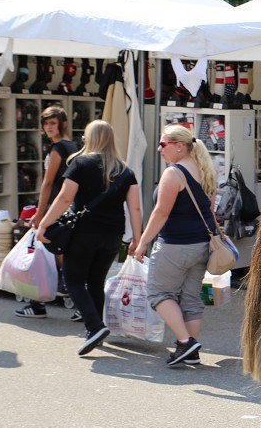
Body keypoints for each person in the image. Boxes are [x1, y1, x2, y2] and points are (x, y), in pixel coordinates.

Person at [36, 120, 141, 356]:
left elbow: (64, 199)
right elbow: (135, 208)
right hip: (113, 234)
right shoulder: (125, 170)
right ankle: (96, 332)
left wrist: (43, 224)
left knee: (73, 281)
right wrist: (138, 238)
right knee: (95, 281)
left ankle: (94, 327)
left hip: (83, 232)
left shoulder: (79, 163)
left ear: (88, 139)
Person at [132, 124, 218, 367]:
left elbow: (160, 213)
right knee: (191, 299)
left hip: (174, 245)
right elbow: (210, 211)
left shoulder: (174, 173)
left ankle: (185, 343)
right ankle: (191, 352)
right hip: (201, 244)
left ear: (179, 147)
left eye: (163, 144)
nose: (159, 149)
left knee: (158, 293)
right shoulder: (206, 171)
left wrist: (142, 243)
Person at [15, 105, 79, 320]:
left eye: (53, 123)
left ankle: (38, 304)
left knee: (49, 255)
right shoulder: (74, 146)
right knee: (60, 256)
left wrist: (39, 213)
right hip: (69, 207)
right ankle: (79, 302)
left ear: (62, 123)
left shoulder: (58, 149)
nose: (49, 127)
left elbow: (48, 182)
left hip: (55, 207)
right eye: (46, 123)